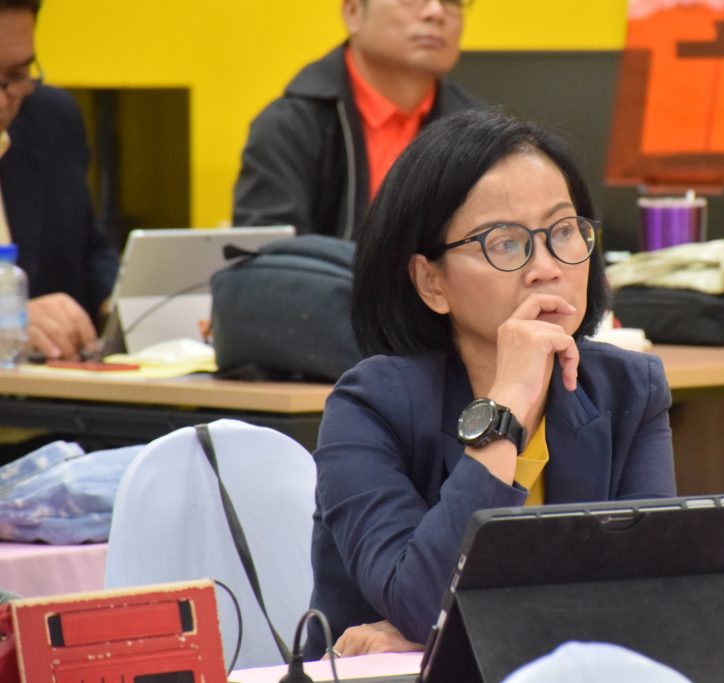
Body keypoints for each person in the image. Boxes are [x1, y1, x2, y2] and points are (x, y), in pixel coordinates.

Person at [307, 109, 677, 658]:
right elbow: (423, 603)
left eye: (563, 231)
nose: (547, 267)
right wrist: (507, 404)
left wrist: (466, 626)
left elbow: (656, 592)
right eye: (505, 243)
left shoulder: (629, 388)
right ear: (431, 282)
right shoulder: (367, 409)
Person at [232, 0, 483, 240]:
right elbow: (268, 258)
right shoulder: (289, 127)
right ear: (353, 12)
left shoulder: (480, 133)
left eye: (451, 0)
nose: (436, 12)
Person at [0, 0, 118, 361]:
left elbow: (89, 253)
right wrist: (10, 322)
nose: (3, 102)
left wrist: (128, 306)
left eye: (17, 76)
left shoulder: (50, 120)